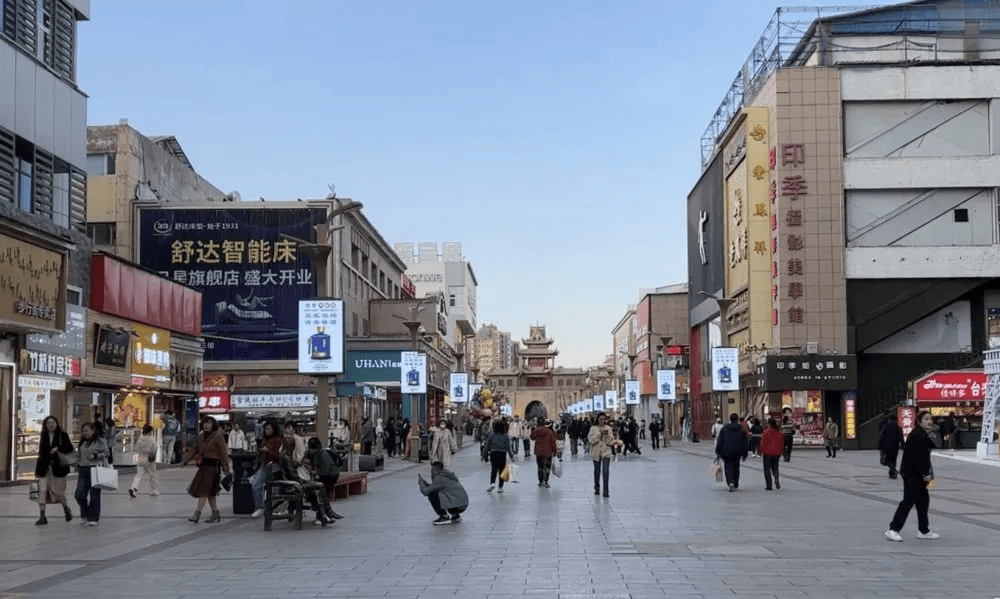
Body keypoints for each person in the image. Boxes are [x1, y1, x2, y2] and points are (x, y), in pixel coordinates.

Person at [885, 410, 940, 542]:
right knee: (908, 502)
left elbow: (931, 447)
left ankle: (923, 530)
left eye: (930, 419)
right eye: (926, 419)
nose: (929, 421)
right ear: (919, 421)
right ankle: (893, 529)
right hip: (912, 474)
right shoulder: (917, 435)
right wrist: (925, 474)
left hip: (915, 473)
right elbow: (918, 458)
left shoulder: (922, 434)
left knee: (923, 502)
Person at [183, 416, 231, 523]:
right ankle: (215, 513)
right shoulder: (201, 436)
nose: (206, 425)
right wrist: (185, 460)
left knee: (204, 491)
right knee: (210, 493)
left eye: (209, 423)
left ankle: (197, 513)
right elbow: (194, 449)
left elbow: (223, 453)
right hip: (204, 467)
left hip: (213, 468)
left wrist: (225, 467)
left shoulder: (218, 436)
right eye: (204, 423)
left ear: (213, 425)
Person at [34, 416, 75, 525]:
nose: (51, 425)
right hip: (44, 468)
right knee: (42, 491)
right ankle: (42, 516)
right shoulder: (43, 435)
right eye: (48, 423)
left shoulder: (63, 435)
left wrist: (58, 448)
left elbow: (70, 448)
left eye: (53, 422)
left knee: (58, 492)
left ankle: (66, 509)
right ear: (45, 425)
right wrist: (38, 470)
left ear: (56, 423)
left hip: (58, 468)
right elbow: (41, 453)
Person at [75, 422, 110, 526]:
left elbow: (107, 453)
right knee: (79, 494)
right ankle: (85, 513)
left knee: (94, 494)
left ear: (93, 431)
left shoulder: (99, 441)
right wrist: (75, 462)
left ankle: (93, 518)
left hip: (95, 469)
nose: (84, 433)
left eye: (87, 430)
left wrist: (95, 456)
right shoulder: (82, 443)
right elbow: (78, 455)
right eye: (83, 431)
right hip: (83, 470)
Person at [303, 436, 344, 521]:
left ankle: (324, 514)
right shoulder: (318, 451)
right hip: (330, 475)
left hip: (329, 476)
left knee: (319, 492)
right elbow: (305, 458)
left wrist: (316, 472)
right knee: (320, 493)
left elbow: (325, 470)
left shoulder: (321, 454)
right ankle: (326, 513)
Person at [249, 421, 283, 518]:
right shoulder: (265, 440)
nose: (266, 431)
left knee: (274, 489)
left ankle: (275, 509)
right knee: (255, 484)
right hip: (264, 466)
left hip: (275, 466)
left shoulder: (278, 440)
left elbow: (279, 455)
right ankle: (259, 507)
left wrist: (268, 451)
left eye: (269, 429)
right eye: (266, 429)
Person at [715, 413, 749, 491]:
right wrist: (745, 453)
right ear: (737, 419)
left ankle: (730, 481)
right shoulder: (741, 430)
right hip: (737, 452)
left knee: (728, 467)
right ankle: (736, 482)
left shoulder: (724, 429)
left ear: (730, 419)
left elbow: (720, 441)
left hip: (726, 451)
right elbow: (745, 443)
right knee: (736, 466)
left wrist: (718, 451)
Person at [482, 420, 515, 493]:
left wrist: (484, 455)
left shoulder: (492, 435)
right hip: (502, 454)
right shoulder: (506, 436)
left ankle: (492, 483)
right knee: (502, 470)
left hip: (493, 453)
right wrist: (511, 457)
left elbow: (487, 446)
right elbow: (508, 447)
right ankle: (500, 487)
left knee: (494, 469)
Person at [129, 424, 160, 499]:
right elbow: (154, 449)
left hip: (140, 458)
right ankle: (154, 490)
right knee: (152, 475)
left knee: (138, 475)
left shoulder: (140, 439)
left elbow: (136, 449)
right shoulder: (152, 439)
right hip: (149, 460)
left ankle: (133, 488)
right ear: (150, 431)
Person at [588, 413, 614, 497]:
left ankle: (606, 491)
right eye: (600, 419)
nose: (602, 421)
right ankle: (597, 488)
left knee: (606, 471)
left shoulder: (609, 428)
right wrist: (599, 434)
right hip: (596, 452)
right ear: (597, 420)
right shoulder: (593, 428)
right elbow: (591, 440)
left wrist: (607, 436)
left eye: (604, 419)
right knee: (597, 471)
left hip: (606, 452)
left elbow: (612, 441)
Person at [531, 419, 558, 488]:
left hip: (539, 452)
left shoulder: (536, 431)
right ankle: (546, 481)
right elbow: (553, 442)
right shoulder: (549, 431)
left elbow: (532, 438)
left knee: (540, 467)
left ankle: (540, 481)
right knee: (547, 467)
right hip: (548, 452)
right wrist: (554, 451)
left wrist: (532, 429)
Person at [760, 418, 784, 490]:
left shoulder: (766, 432)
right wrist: (781, 452)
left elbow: (763, 442)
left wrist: (761, 451)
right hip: (776, 453)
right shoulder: (779, 433)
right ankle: (776, 478)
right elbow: (782, 443)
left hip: (767, 453)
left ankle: (769, 485)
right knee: (775, 467)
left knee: (767, 469)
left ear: (769, 424)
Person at [879, 413, 904, 479]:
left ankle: (892, 469)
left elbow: (882, 436)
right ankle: (892, 471)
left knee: (888, 459)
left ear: (889, 419)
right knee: (894, 458)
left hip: (886, 445)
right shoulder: (898, 426)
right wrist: (903, 445)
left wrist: (880, 445)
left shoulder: (886, 426)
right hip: (895, 445)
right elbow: (901, 436)